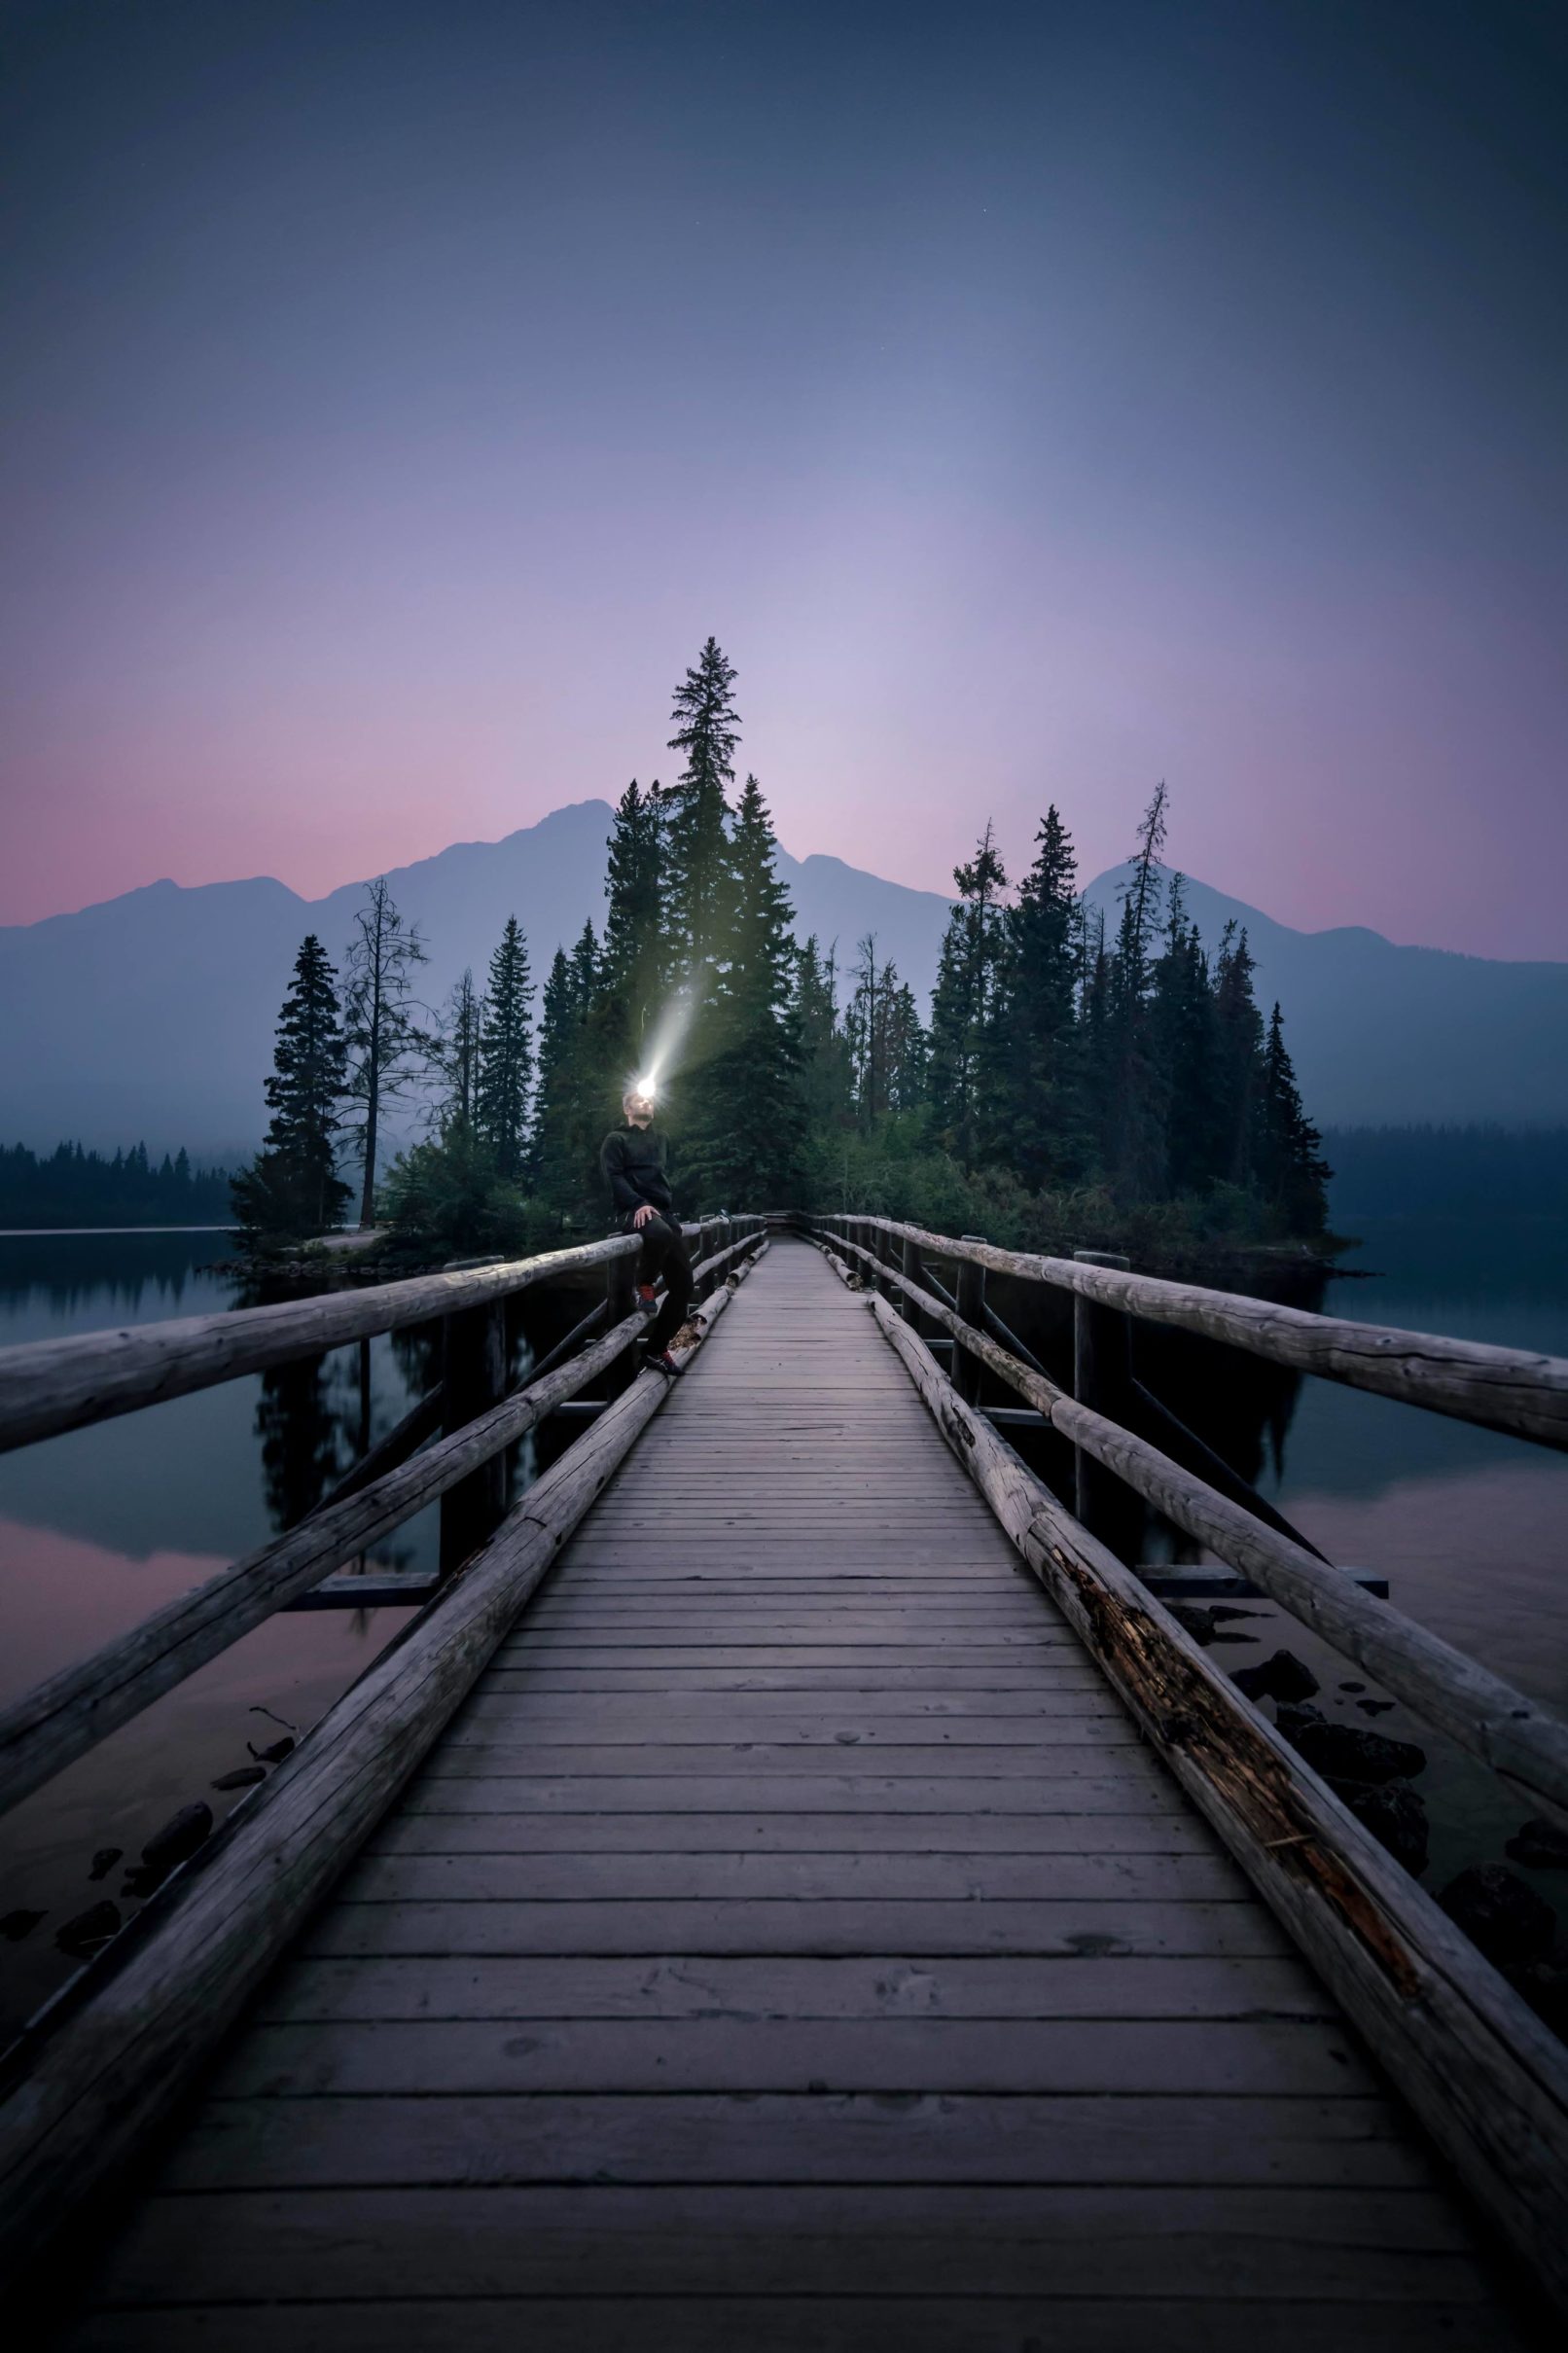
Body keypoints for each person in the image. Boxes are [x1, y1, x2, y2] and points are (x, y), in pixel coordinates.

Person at [599, 1083, 693, 1376]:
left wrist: (662, 1204)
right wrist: (638, 1203)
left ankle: (654, 1350)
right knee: (660, 1234)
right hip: (631, 1210)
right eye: (639, 1101)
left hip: (661, 1212)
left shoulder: (661, 1138)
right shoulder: (616, 1140)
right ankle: (644, 1284)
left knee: (684, 1286)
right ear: (627, 1108)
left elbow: (659, 1177)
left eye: (649, 1101)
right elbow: (613, 1177)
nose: (646, 1104)